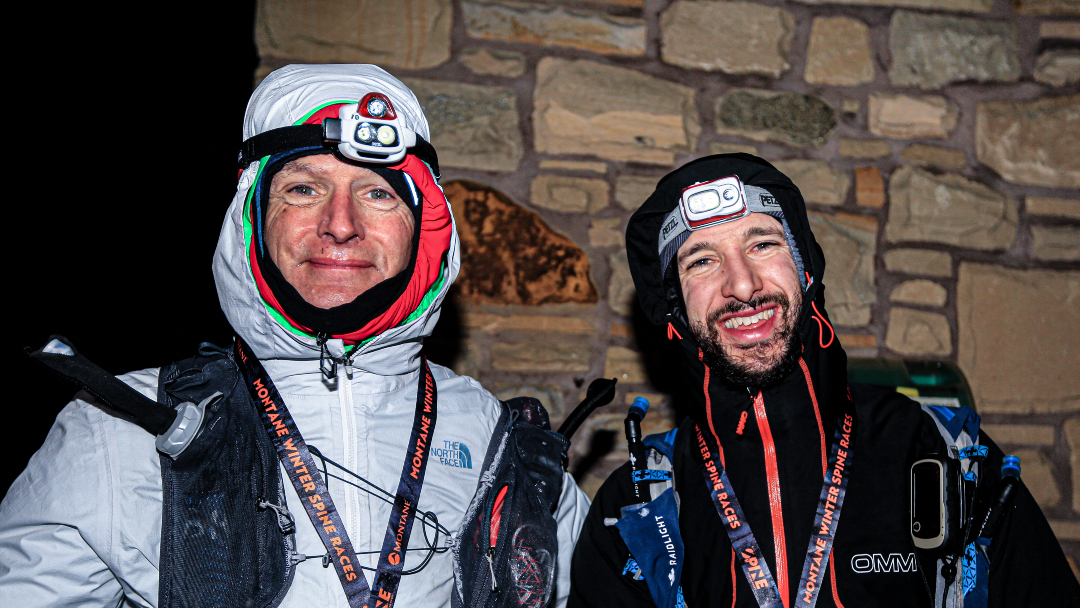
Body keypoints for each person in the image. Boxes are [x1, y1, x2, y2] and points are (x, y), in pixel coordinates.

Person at [0, 64, 589, 607]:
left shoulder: (497, 440)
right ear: (252, 216)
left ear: (423, 230)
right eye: (304, 189)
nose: (340, 224)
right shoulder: (119, 429)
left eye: (378, 193)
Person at [567, 154, 1078, 607]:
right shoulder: (635, 511)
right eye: (702, 260)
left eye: (763, 243)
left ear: (806, 271)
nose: (742, 284)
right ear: (676, 310)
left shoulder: (947, 456)